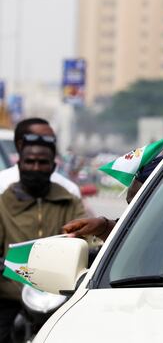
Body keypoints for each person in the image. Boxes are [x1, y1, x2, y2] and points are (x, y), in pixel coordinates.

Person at [0, 139, 87, 341]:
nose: (35, 167)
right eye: (30, 162)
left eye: (42, 162)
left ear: (53, 166)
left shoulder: (69, 201)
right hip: (10, 295)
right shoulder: (3, 202)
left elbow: (85, 239)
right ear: (19, 165)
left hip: (59, 296)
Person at [0, 118, 81, 198]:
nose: (47, 145)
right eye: (40, 140)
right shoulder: (3, 185)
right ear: (20, 145)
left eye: (50, 140)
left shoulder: (69, 191)